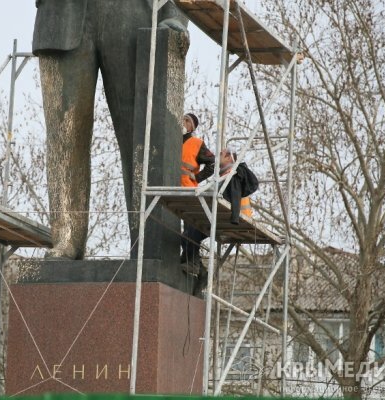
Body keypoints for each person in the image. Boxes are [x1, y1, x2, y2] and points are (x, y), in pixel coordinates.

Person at [33, 0, 187, 259]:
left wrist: (177, 14)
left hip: (137, 11)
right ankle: (66, 236)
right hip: (62, 15)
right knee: (64, 139)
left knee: (143, 137)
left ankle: (150, 244)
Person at [180, 113, 214, 292]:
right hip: (168, 188)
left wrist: (198, 177)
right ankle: (198, 269)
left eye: (187, 121)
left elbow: (212, 163)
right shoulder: (171, 139)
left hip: (186, 189)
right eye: (182, 119)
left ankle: (195, 265)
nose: (183, 123)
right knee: (183, 235)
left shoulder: (196, 143)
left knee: (188, 233)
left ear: (192, 127)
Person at [219, 148, 258, 224]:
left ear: (228, 158)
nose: (217, 157)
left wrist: (235, 218)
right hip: (229, 217)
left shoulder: (235, 174)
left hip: (237, 220)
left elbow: (235, 194)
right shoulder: (227, 174)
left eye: (221, 154)